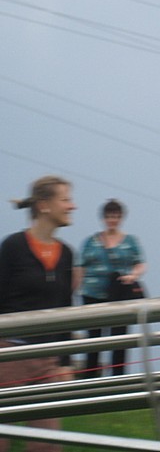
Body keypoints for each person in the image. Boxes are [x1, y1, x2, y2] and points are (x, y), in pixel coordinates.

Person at [0, 175, 76, 452]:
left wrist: (65, 361)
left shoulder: (67, 254)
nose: (72, 206)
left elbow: (67, 310)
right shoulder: (12, 247)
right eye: (66, 199)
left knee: (48, 444)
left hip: (48, 361)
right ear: (44, 205)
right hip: (8, 356)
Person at [76, 199, 146, 377]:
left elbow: (141, 264)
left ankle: (118, 380)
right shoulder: (91, 242)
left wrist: (133, 276)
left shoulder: (130, 241)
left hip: (120, 295)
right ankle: (90, 380)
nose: (112, 220)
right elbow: (80, 267)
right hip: (92, 295)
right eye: (109, 216)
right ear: (103, 218)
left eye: (115, 216)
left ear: (121, 218)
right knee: (94, 340)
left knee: (120, 340)